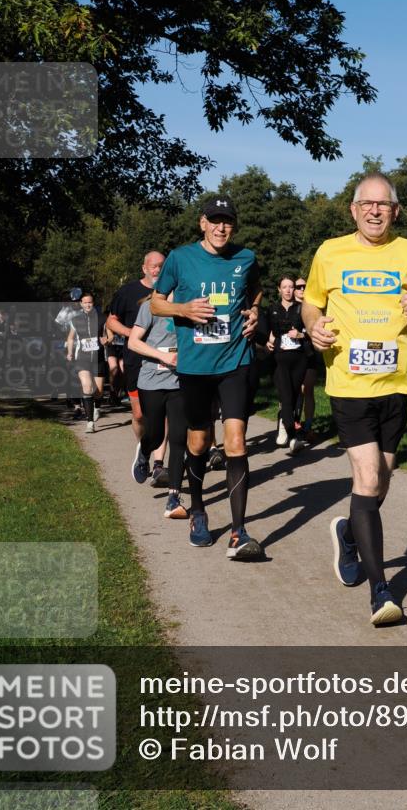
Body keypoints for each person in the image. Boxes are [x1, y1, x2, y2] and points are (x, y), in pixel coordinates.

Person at [303, 172, 407, 625]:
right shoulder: (330, 251)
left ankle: (348, 533)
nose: (375, 211)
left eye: (384, 204)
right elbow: (311, 302)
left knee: (381, 481)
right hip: (348, 383)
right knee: (366, 478)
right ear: (353, 209)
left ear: (396, 211)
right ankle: (381, 590)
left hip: (395, 384)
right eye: (367, 203)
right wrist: (313, 326)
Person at [151, 195, 263, 558]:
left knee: (236, 441)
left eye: (227, 221)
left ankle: (238, 532)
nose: (221, 227)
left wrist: (255, 311)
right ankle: (198, 511)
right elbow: (155, 302)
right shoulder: (180, 258)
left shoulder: (245, 258)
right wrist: (182, 308)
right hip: (195, 366)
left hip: (236, 360)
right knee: (198, 443)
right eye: (214, 220)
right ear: (202, 223)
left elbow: (256, 289)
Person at [108, 251, 169, 485]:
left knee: (161, 411)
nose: (157, 270)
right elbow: (112, 320)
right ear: (144, 268)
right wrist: (130, 334)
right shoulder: (128, 292)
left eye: (161, 266)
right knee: (140, 414)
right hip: (136, 360)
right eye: (153, 266)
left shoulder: (172, 293)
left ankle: (159, 464)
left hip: (164, 361)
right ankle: (144, 447)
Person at [127, 295, 190, 519]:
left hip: (180, 382)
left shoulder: (190, 305)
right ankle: (145, 450)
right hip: (152, 381)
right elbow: (133, 342)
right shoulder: (150, 307)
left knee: (178, 437)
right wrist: (163, 355)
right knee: (155, 435)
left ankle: (174, 497)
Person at [267, 274, 308, 454]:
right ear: (279, 289)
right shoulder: (272, 309)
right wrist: (267, 341)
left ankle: (285, 425)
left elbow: (311, 332)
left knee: (293, 396)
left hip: (299, 359)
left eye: (291, 287)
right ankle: (292, 437)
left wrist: (300, 335)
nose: (289, 290)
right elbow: (266, 330)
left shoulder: (302, 309)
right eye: (285, 287)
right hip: (279, 359)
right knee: (285, 396)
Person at [66, 293, 107, 433]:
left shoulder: (102, 317)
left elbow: (110, 334)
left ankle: (97, 407)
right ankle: (90, 423)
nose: (88, 304)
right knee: (87, 386)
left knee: (99, 391)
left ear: (93, 303)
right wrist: (70, 352)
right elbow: (71, 338)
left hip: (98, 358)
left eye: (90, 302)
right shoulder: (76, 319)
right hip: (82, 357)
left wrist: (107, 339)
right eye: (85, 302)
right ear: (81, 304)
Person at [293, 276, 320, 441]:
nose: (302, 289)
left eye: (305, 287)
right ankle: (292, 423)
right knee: (294, 391)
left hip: (309, 353)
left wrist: (303, 334)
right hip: (292, 356)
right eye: (299, 287)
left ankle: (308, 426)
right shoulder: (288, 307)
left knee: (307, 390)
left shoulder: (313, 307)